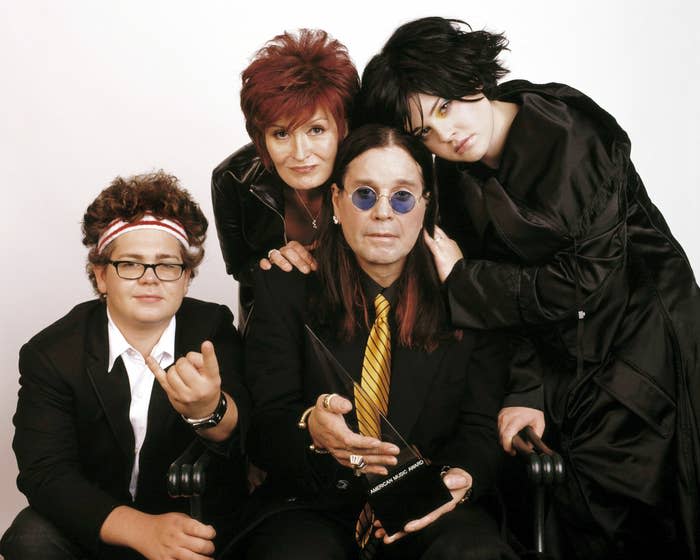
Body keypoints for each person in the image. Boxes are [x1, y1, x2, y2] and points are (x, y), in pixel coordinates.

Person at [354, 16, 700, 559]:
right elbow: (503, 309)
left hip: (640, 331)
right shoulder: (457, 174)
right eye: (425, 131)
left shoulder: (568, 137)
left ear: (472, 78)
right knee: (541, 489)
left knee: (627, 495)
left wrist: (468, 278)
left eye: (446, 106)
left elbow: (585, 280)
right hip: (561, 345)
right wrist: (527, 390)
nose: (446, 134)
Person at [232, 124, 516, 560]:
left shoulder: (466, 291)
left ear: (426, 206)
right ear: (336, 202)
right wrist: (312, 428)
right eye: (365, 194)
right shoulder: (285, 287)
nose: (383, 213)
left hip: (428, 498)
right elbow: (264, 426)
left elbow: (479, 427)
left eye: (402, 197)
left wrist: (464, 477)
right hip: (314, 504)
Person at [0, 172, 249, 560]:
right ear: (101, 275)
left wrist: (209, 411)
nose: (150, 280)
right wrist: (141, 530)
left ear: (186, 279)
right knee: (30, 538)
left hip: (193, 525)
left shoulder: (212, 329)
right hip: (102, 525)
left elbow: (248, 432)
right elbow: (45, 472)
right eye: (131, 264)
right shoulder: (52, 353)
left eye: (167, 265)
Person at [211, 28, 359, 329]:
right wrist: (274, 262)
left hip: (360, 325)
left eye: (316, 130)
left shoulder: (372, 169)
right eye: (281, 133)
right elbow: (240, 267)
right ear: (262, 138)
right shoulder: (232, 179)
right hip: (273, 330)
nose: (300, 153)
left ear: (342, 128)